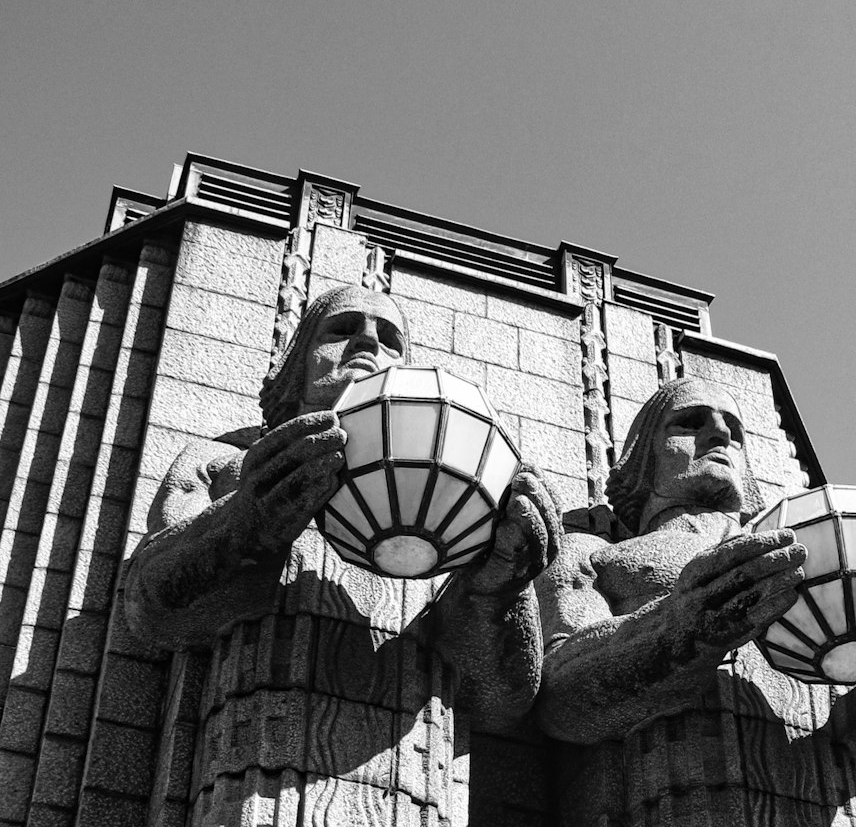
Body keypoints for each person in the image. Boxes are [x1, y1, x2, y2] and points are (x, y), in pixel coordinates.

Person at [125, 281, 560, 727]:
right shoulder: (224, 463)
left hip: (415, 763)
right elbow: (148, 607)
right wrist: (247, 520)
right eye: (343, 328)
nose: (368, 340)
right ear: (299, 364)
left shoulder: (459, 493)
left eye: (390, 339)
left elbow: (499, 701)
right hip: (244, 739)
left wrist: (499, 589)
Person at [534, 374, 856, 801]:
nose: (718, 435)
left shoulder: (816, 561)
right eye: (690, 423)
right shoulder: (590, 553)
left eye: (734, 430)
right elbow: (559, 700)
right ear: (643, 457)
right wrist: (681, 629)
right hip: (653, 826)